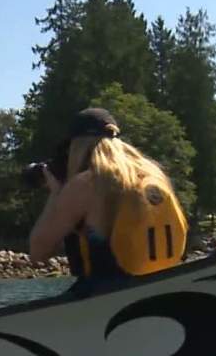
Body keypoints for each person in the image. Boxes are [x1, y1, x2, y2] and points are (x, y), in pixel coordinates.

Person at [27, 108, 187, 291]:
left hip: (106, 294)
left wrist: (56, 194)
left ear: (77, 147)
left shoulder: (87, 183)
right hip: (161, 288)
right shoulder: (155, 175)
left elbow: (38, 252)